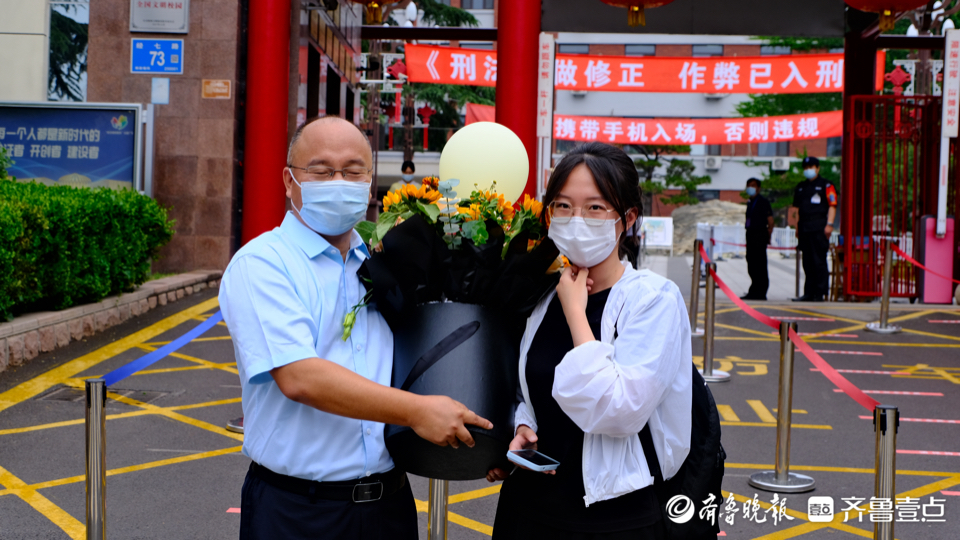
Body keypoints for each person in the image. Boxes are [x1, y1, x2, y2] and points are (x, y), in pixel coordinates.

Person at [219, 116, 492, 540]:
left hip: (389, 507)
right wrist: (418, 411)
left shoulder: (383, 262)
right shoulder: (263, 264)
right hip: (298, 513)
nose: (338, 182)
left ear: (369, 183)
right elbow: (299, 377)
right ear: (290, 181)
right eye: (322, 171)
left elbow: (427, 354)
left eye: (352, 171)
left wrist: (489, 437)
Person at [486, 142, 692, 540]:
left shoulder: (652, 299)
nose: (576, 219)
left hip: (614, 517)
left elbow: (619, 411)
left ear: (627, 218)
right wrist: (524, 424)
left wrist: (576, 314)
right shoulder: (543, 294)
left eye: (595, 207)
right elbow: (529, 385)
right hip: (527, 508)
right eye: (563, 206)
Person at [791, 156, 837, 302]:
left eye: (811, 167)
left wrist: (830, 224)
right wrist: (797, 227)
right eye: (806, 168)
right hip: (804, 227)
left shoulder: (826, 185)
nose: (808, 170)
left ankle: (819, 292)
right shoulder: (801, 186)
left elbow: (832, 205)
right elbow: (797, 209)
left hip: (819, 226)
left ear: (817, 168)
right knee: (807, 261)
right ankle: (809, 292)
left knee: (819, 260)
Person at [741, 177, 774, 300]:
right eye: (749, 185)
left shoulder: (763, 202)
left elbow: (770, 220)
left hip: (760, 235)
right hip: (750, 234)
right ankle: (754, 289)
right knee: (751, 263)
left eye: (753, 185)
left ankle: (761, 291)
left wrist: (768, 234)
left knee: (760, 264)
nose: (751, 188)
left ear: (758, 188)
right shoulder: (750, 202)